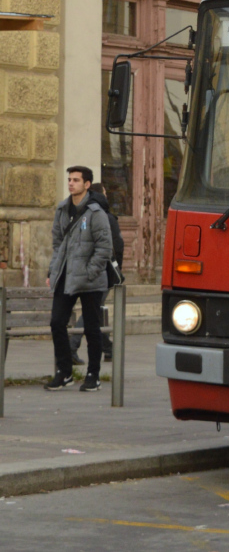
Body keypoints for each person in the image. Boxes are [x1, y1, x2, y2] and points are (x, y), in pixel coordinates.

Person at [44, 166, 112, 391]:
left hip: (90, 280)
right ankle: (64, 372)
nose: (71, 183)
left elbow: (104, 248)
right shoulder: (62, 209)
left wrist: (91, 271)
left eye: (76, 180)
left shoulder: (96, 213)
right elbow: (57, 245)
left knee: (92, 328)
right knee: (57, 322)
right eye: (69, 179)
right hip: (66, 276)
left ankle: (93, 374)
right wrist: (52, 271)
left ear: (87, 184)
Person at [67, 182, 124, 364]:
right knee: (92, 310)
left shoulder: (82, 216)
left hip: (83, 270)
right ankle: (71, 346)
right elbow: (116, 247)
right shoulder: (106, 217)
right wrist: (117, 272)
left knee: (96, 310)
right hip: (101, 272)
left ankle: (108, 348)